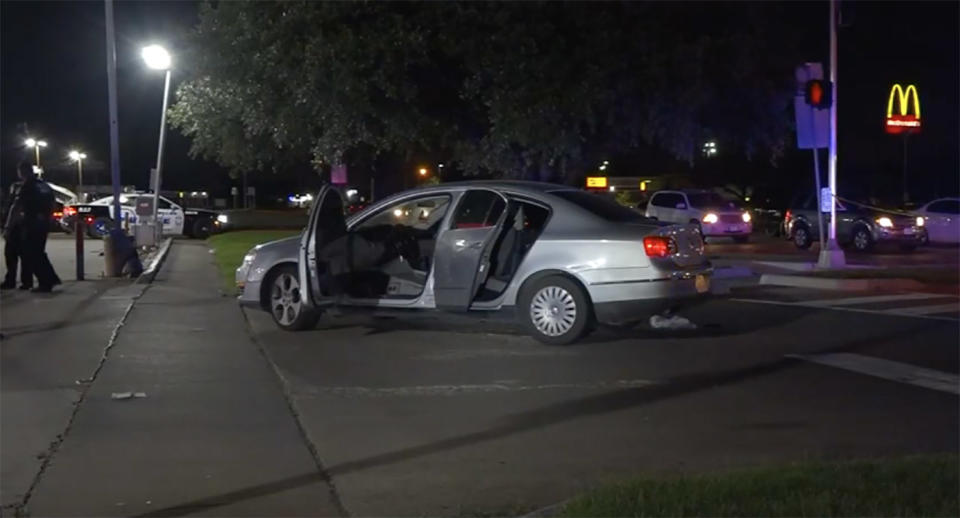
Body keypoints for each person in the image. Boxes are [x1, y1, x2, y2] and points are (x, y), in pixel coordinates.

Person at [16, 162, 60, 292]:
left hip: (32, 223)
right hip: (43, 223)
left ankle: (46, 282)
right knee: (39, 252)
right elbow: (53, 203)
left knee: (31, 253)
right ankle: (50, 279)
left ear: (22, 172)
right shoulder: (44, 185)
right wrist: (48, 217)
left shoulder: (27, 186)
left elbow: (19, 207)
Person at [1, 178, 27, 289]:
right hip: (24, 228)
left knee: (11, 255)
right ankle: (26, 281)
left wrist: (7, 228)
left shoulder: (16, 199)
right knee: (23, 256)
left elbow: (13, 212)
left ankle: (11, 280)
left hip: (16, 229)